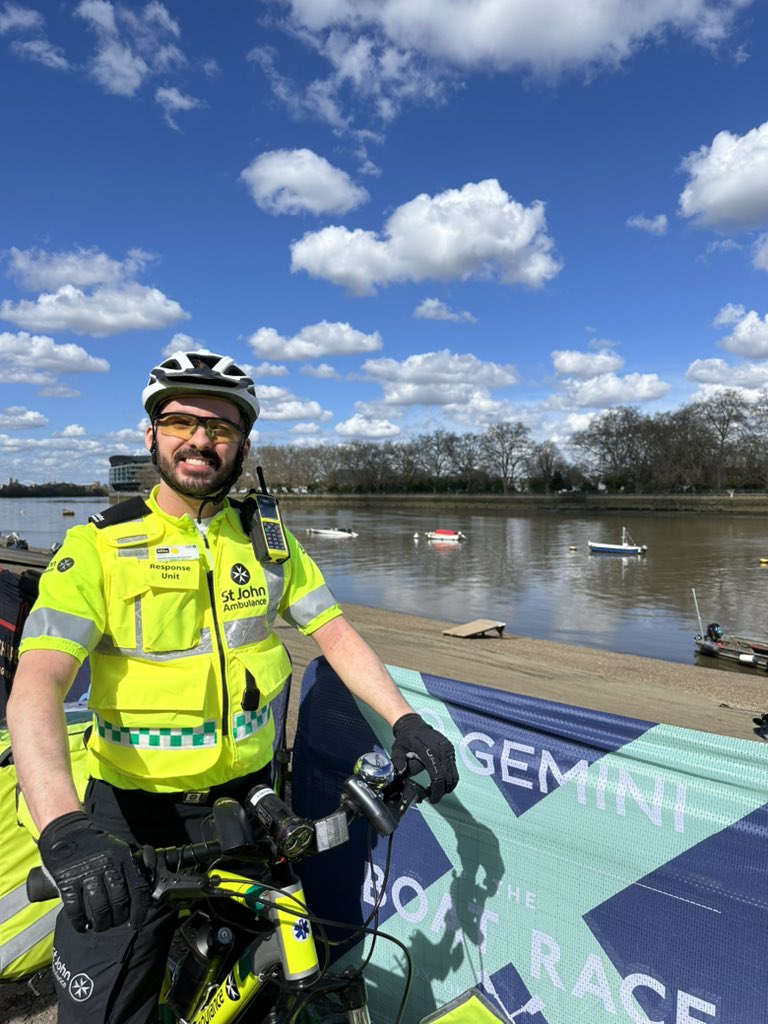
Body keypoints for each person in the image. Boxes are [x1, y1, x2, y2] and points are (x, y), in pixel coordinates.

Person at [6, 350, 458, 1024]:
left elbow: (332, 631)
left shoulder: (267, 542)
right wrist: (65, 829)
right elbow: (37, 682)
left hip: (248, 804)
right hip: (129, 820)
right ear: (150, 435)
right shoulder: (97, 547)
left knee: (272, 974)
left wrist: (405, 723)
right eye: (179, 421)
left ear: (243, 445)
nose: (198, 440)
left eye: (218, 428)